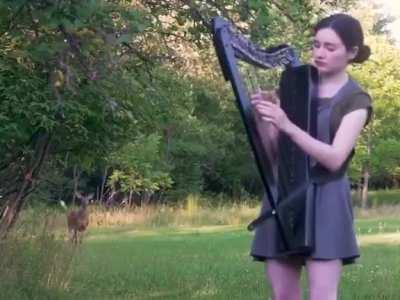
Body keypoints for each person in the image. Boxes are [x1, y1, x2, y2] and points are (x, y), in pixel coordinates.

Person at [250, 13, 373, 300]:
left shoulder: (356, 101)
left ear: (352, 52)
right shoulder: (295, 84)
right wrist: (263, 118)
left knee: (322, 295)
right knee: (282, 295)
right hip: (284, 194)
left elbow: (334, 158)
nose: (319, 53)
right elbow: (274, 155)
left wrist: (286, 124)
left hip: (327, 197)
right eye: (316, 45)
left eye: (330, 48)